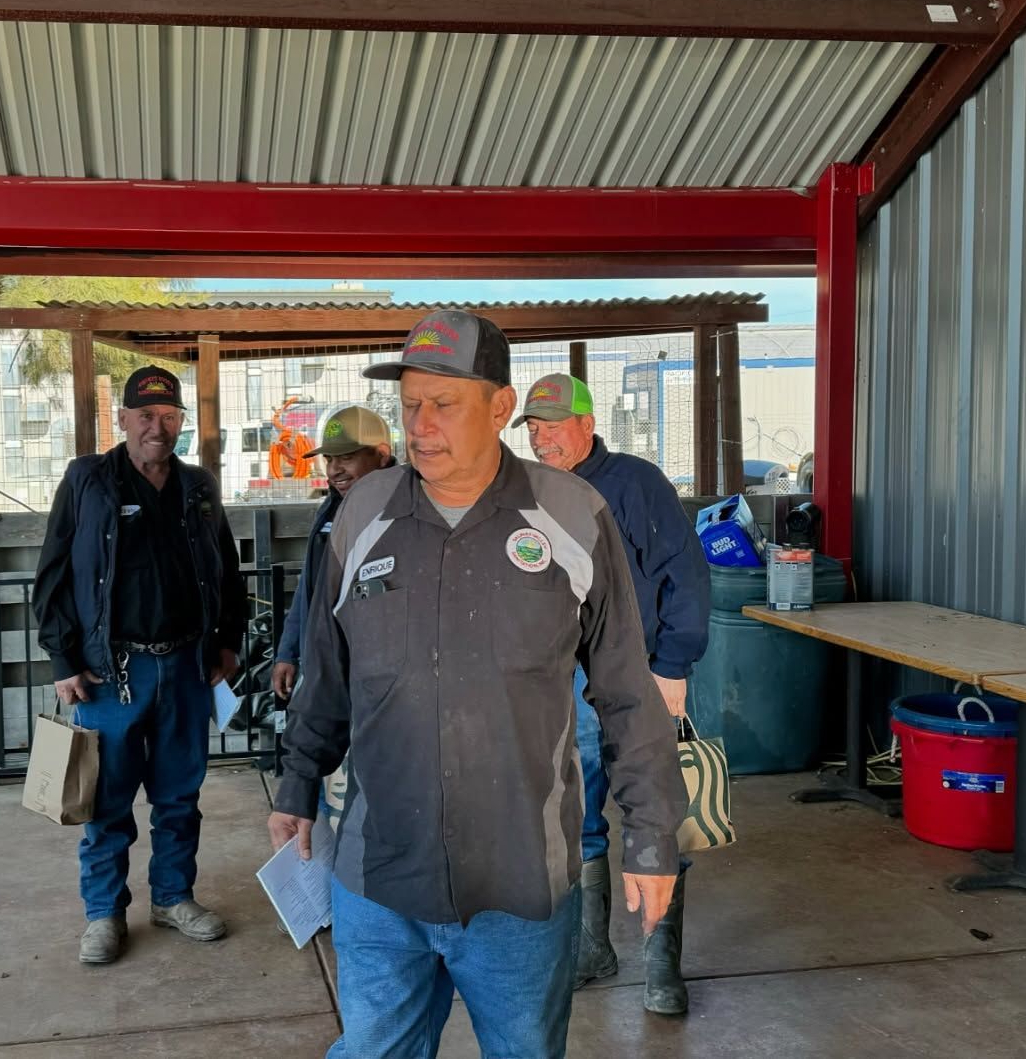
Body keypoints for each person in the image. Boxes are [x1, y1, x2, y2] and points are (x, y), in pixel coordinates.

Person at [268, 311, 687, 1058]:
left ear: (500, 408)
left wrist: (651, 837)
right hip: (379, 877)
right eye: (410, 405)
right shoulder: (363, 512)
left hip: (519, 886)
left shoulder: (572, 516)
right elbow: (328, 671)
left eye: (444, 403)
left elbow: (626, 691)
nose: (420, 425)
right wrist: (298, 781)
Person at [33, 365, 246, 966]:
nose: (158, 427)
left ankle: (173, 898)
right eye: (146, 415)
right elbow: (53, 574)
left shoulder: (199, 486)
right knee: (106, 801)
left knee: (179, 795)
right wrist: (63, 657)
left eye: (170, 416)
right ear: (123, 418)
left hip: (186, 666)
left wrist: (227, 642)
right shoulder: (88, 480)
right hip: (110, 672)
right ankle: (104, 912)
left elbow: (227, 568)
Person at [517, 371, 711, 1010]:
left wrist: (674, 665)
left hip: (640, 674)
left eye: (552, 425)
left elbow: (685, 574)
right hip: (565, 681)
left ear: (587, 424)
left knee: (655, 811)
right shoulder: (532, 491)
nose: (541, 438)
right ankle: (593, 948)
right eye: (533, 427)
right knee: (578, 812)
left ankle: (662, 966)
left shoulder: (636, 483)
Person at [271, 405, 395, 811]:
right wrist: (289, 651)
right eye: (329, 458)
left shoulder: (409, 511)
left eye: (347, 457)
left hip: (380, 680)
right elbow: (309, 589)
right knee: (322, 790)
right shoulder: (330, 508)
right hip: (324, 671)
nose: (335, 469)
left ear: (381, 455)